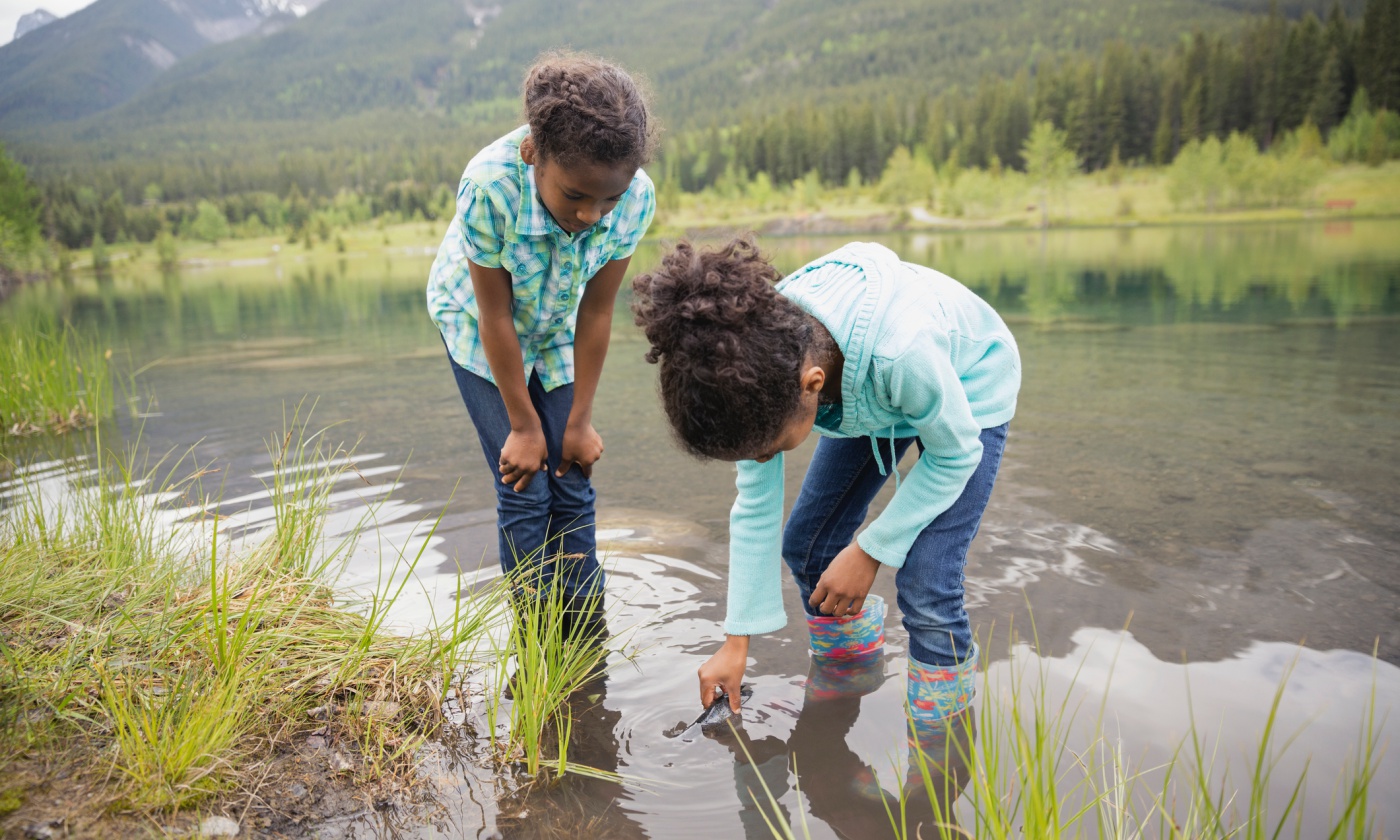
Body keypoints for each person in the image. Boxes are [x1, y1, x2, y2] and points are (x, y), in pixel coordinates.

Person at [631, 236, 1020, 733]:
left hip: (965, 388)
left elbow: (956, 453)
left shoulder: (901, 353)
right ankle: (851, 669)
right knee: (809, 546)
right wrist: (737, 641)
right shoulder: (754, 366)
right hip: (871, 393)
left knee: (926, 579)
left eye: (767, 450)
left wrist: (872, 549)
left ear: (812, 386)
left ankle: (941, 733)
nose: (761, 461)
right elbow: (755, 506)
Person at [427, 52, 657, 636]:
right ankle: (536, 644)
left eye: (607, 199)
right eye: (575, 195)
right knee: (525, 483)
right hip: (482, 326)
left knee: (572, 479)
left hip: (557, 321)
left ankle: (583, 640)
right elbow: (495, 314)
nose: (591, 214)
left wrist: (578, 421)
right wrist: (525, 428)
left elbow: (598, 310)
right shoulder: (490, 186)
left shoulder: (633, 198)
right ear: (534, 153)